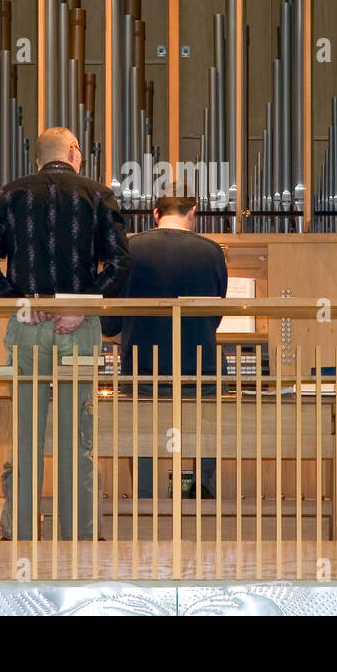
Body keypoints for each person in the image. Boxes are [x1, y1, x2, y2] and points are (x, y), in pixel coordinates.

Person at [0, 127, 130, 541]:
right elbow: (119, 263)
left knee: (26, 438)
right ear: (75, 152)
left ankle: (21, 535)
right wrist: (82, 304)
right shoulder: (98, 195)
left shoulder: (12, 194)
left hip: (27, 328)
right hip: (79, 329)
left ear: (37, 159)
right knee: (78, 439)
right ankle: (78, 538)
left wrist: (19, 299)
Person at [101, 195, 227, 497]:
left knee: (143, 428)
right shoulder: (212, 252)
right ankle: (203, 487)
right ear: (193, 213)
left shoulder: (129, 249)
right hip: (201, 368)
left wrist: (129, 334)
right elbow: (217, 313)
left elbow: (109, 321)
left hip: (144, 368)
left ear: (155, 214)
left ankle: (145, 497)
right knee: (209, 420)